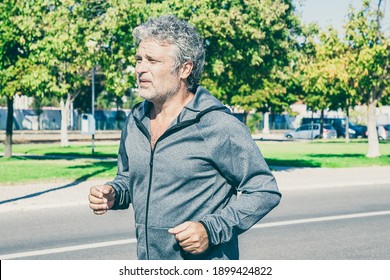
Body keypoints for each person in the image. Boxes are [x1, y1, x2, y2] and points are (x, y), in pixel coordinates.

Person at [88, 14, 281, 260]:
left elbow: (264, 190)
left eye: (152, 60)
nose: (140, 69)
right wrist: (114, 193)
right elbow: (129, 177)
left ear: (184, 69)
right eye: (138, 59)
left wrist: (211, 230)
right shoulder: (135, 120)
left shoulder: (217, 125)